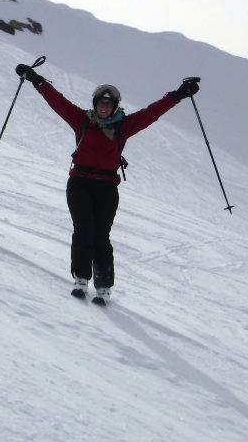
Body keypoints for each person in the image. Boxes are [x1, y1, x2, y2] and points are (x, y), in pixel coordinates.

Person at [15, 63, 199, 305]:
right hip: (79, 183)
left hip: (106, 188)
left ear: (114, 107)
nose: (104, 108)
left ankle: (103, 287)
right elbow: (57, 101)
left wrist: (179, 94)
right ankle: (81, 279)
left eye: (108, 105)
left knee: (101, 236)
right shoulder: (81, 119)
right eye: (101, 104)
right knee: (83, 230)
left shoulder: (124, 126)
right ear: (95, 104)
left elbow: (152, 113)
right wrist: (35, 78)